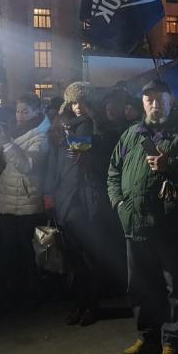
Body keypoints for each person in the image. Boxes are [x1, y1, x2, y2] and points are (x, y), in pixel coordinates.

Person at [107, 79, 178, 354]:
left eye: (160, 99)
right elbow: (113, 171)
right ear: (142, 103)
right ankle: (148, 338)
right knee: (140, 286)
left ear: (171, 100)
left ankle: (172, 344)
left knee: (175, 288)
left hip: (170, 225)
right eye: (149, 99)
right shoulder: (131, 134)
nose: (154, 104)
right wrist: (118, 203)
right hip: (134, 224)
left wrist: (172, 163)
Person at [44, 82, 111, 326]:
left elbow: (104, 162)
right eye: (74, 102)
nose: (78, 107)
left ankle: (91, 305)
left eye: (82, 102)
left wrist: (87, 155)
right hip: (66, 198)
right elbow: (53, 164)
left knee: (89, 256)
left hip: (86, 198)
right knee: (73, 257)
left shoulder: (96, 126)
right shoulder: (61, 128)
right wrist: (49, 195)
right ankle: (80, 304)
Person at [0, 93, 51, 304]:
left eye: (25, 111)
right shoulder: (12, 129)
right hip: (6, 196)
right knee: (7, 246)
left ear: (36, 112)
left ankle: (32, 293)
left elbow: (26, 166)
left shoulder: (41, 136)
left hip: (27, 198)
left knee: (25, 249)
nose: (20, 116)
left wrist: (7, 143)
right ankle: (11, 291)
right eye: (17, 111)